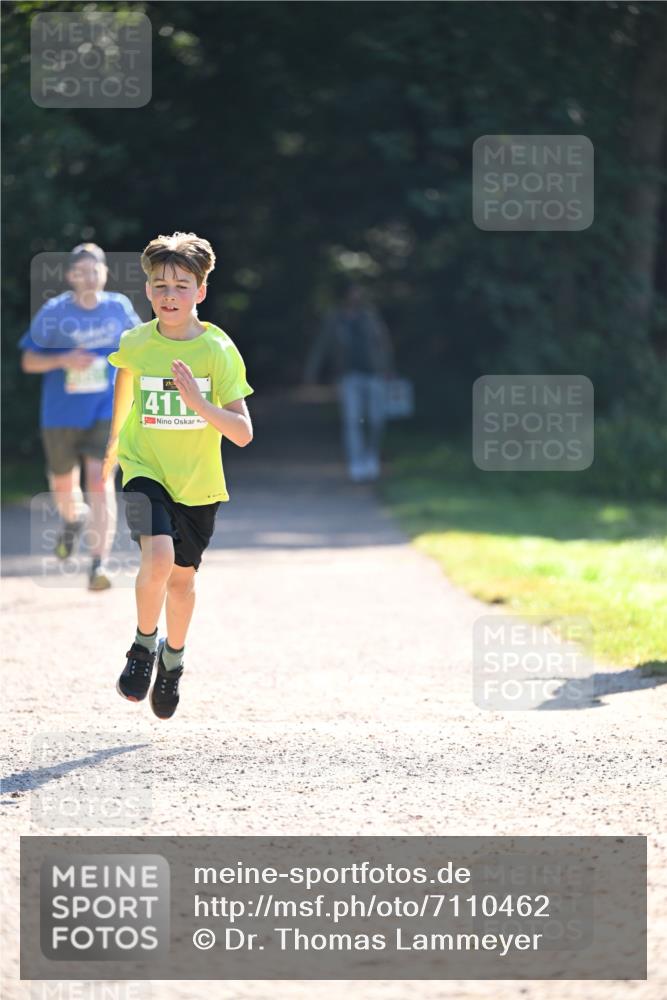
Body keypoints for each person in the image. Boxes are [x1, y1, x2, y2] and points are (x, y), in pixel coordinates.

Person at [102, 231, 253, 720]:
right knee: (159, 554)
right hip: (145, 469)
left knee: (182, 584)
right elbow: (123, 397)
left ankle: (173, 660)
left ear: (201, 292)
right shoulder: (134, 343)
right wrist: (110, 452)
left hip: (198, 483)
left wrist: (199, 404)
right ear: (147, 291)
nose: (170, 295)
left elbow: (243, 433)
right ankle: (143, 646)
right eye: (160, 285)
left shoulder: (218, 351)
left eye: (182, 285)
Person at [20, 243, 141, 590]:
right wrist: (63, 359)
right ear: (70, 276)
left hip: (106, 410)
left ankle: (97, 565)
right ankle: (73, 520)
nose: (89, 278)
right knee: (62, 485)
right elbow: (29, 361)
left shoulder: (119, 308)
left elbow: (140, 348)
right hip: (60, 415)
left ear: (105, 273)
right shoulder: (54, 312)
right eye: (81, 272)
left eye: (95, 271)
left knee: (99, 480)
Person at [304, 283, 395, 482]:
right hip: (348, 376)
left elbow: (383, 343)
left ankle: (371, 456)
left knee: (376, 419)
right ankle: (356, 463)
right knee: (352, 421)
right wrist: (311, 373)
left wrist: (388, 369)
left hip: (374, 374)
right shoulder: (335, 319)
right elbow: (322, 346)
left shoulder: (370, 317)